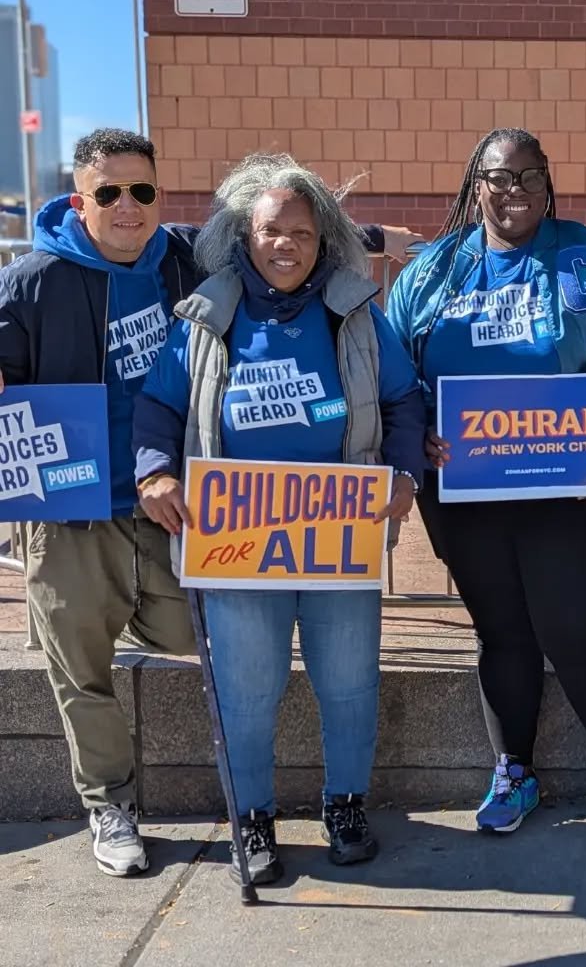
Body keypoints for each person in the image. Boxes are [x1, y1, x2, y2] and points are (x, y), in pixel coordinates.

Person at [132, 153, 426, 884]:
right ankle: (252, 818)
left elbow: (404, 399)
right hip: (238, 542)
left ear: (322, 238)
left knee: (349, 681)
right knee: (247, 687)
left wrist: (406, 472)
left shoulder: (355, 314)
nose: (284, 244)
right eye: (270, 231)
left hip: (338, 535)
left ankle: (346, 805)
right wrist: (155, 471)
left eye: (300, 231)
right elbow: (158, 406)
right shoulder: (208, 317)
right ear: (245, 235)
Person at [387, 127, 586, 840]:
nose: (515, 192)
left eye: (529, 177)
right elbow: (395, 377)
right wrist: (416, 431)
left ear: (548, 182)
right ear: (477, 185)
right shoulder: (432, 270)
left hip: (566, 485)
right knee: (501, 632)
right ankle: (514, 770)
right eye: (500, 179)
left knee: (576, 632)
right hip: (464, 490)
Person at [0, 129, 201, 876]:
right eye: (108, 192)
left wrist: (370, 235)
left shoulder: (186, 260)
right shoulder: (33, 279)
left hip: (173, 505)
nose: (127, 206)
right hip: (70, 514)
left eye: (141, 190)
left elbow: (276, 234)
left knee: (198, 630)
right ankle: (110, 804)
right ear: (79, 199)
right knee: (80, 670)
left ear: (158, 196)